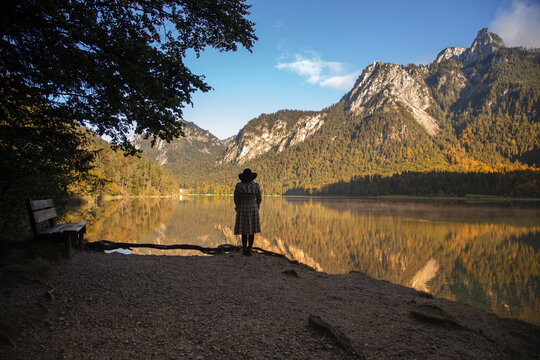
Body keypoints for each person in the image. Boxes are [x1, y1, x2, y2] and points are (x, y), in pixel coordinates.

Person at [234, 168, 262, 256]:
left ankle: (244, 249)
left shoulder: (239, 185)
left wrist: (238, 206)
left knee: (244, 230)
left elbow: (235, 198)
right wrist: (256, 206)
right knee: (251, 230)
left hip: (242, 207)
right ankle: (249, 248)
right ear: (251, 177)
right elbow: (259, 198)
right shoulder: (256, 186)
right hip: (253, 207)